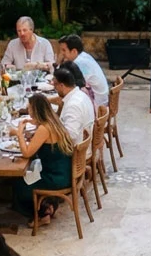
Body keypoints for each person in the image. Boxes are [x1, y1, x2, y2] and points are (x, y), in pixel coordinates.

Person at [13, 91, 79, 225]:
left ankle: (41, 214)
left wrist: (19, 134)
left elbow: (27, 153)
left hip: (56, 178)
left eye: (29, 108)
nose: (28, 111)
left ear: (35, 110)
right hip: (64, 172)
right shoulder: (53, 120)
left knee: (19, 185)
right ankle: (48, 205)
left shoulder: (44, 129)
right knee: (28, 174)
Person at [57, 33, 109, 105]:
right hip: (101, 99)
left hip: (97, 104)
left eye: (64, 50)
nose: (61, 53)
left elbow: (70, 87)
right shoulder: (83, 56)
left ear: (74, 51)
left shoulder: (80, 63)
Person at [54, 62, 96, 144]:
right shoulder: (80, 95)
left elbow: (71, 135)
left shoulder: (73, 105)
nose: (55, 88)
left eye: (55, 85)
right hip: (83, 144)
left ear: (62, 85)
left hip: (76, 151)